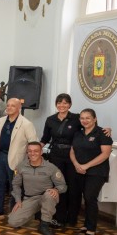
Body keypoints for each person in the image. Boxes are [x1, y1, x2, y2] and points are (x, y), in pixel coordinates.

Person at [0, 98, 38, 217]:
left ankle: (14, 213)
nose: (9, 107)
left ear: (19, 108)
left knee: (14, 187)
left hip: (16, 160)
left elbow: (33, 143)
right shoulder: (0, 121)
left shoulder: (26, 124)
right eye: (8, 105)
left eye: (12, 106)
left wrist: (28, 161)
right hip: (0, 156)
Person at [8, 142, 67, 235]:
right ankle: (34, 214)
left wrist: (56, 190)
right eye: (30, 151)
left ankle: (44, 225)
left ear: (41, 152)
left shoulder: (51, 167)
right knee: (13, 222)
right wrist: (18, 200)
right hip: (30, 199)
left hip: (45, 197)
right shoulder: (21, 166)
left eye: (36, 151)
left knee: (49, 194)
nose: (32, 153)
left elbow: (63, 186)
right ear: (27, 152)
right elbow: (16, 184)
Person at [40, 94, 81, 227]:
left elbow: (90, 128)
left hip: (72, 156)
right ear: (56, 104)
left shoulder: (76, 118)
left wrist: (107, 130)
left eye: (65, 103)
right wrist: (34, 149)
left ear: (70, 104)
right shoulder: (50, 119)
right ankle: (59, 217)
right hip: (56, 156)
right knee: (58, 186)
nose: (61, 105)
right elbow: (45, 138)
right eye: (59, 102)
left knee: (73, 187)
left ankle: (72, 218)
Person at [70, 109, 112, 235]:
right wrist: (77, 165)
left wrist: (86, 166)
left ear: (94, 119)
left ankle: (91, 228)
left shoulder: (103, 133)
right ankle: (86, 224)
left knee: (90, 197)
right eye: (82, 118)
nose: (85, 120)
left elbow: (105, 154)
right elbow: (72, 151)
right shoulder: (78, 133)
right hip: (80, 170)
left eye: (88, 118)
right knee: (84, 198)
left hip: (96, 172)